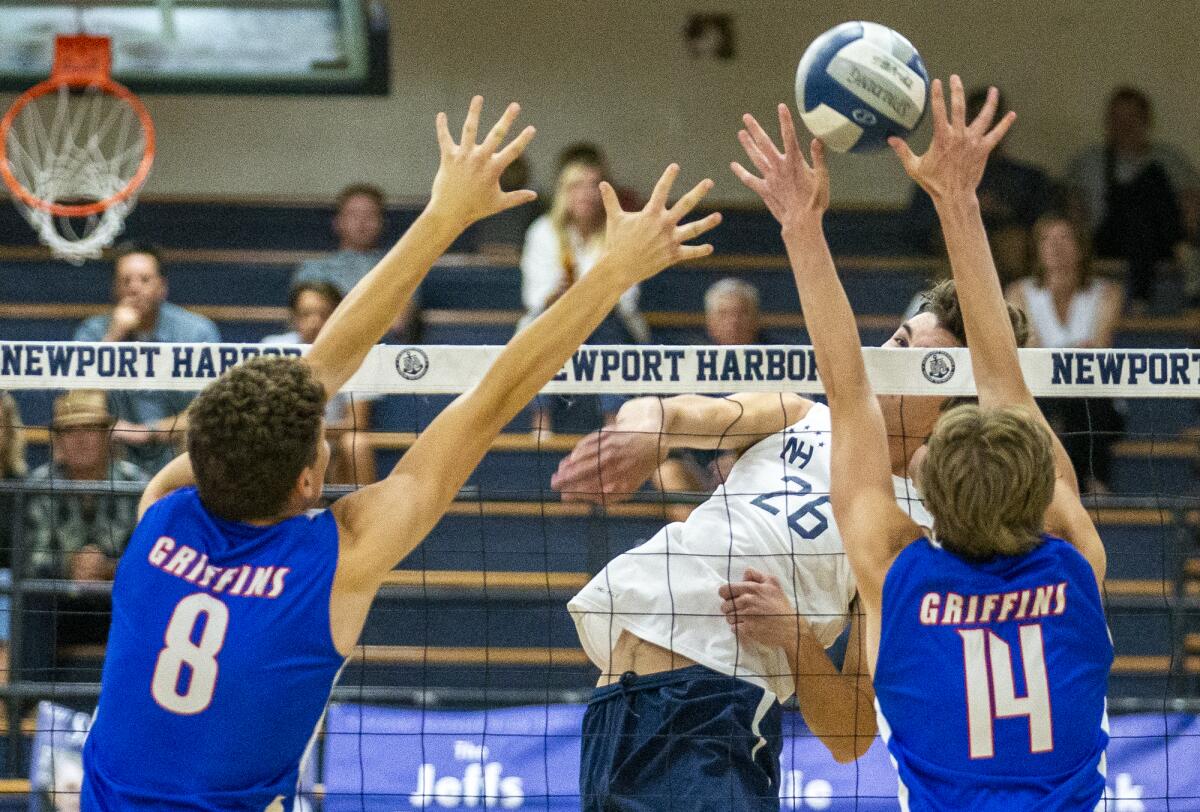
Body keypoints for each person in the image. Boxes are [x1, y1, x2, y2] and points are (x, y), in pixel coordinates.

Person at [80, 96, 720, 811]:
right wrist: (608, 272)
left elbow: (321, 370)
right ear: (304, 480)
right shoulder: (334, 561)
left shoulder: (160, 514)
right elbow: (491, 398)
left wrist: (446, 216)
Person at [553, 148, 1029, 810]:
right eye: (896, 339)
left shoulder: (916, 528)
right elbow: (684, 411)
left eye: (918, 361)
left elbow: (851, 732)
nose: (889, 358)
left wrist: (796, 637)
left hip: (712, 712)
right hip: (615, 711)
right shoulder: (799, 414)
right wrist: (645, 430)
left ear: (954, 399)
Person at [731, 77, 1108, 809]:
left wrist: (802, 226)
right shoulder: (1073, 557)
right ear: (1038, 486)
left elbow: (847, 389)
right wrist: (960, 201)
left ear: (931, 497)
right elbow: (1005, 387)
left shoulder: (900, 574)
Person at [22, 392, 148, 676]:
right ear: (58, 440)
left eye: (90, 428)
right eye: (70, 430)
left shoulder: (139, 484)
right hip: (61, 603)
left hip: (117, 602)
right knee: (34, 592)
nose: (80, 439)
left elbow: (149, 560)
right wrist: (69, 566)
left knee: (150, 592)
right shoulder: (37, 485)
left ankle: (144, 695)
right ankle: (28, 701)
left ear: (108, 435)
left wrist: (108, 569)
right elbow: (32, 560)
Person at [521, 158, 648, 431]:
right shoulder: (543, 232)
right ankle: (541, 420)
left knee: (605, 326)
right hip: (554, 318)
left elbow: (627, 296)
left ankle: (614, 421)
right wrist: (565, 294)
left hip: (608, 321)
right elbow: (535, 298)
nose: (586, 194)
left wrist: (590, 296)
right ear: (563, 193)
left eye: (594, 187)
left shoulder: (619, 232)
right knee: (549, 325)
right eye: (577, 186)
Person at [73, 244, 222, 474]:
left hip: (182, 453)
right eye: (126, 280)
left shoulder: (197, 333)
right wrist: (113, 337)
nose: (134, 288)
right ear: (114, 288)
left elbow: (210, 410)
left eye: (144, 280)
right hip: (114, 458)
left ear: (162, 287)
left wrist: (147, 431)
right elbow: (77, 403)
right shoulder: (93, 332)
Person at [1006, 215, 1125, 492]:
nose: (1055, 247)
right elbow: (1029, 348)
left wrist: (1060, 356)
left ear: (1081, 247)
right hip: (1042, 397)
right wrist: (1072, 352)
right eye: (1046, 239)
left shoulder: (1107, 292)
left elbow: (1097, 348)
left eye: (1064, 238)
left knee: (1081, 397)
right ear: (1037, 248)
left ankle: (1093, 482)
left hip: (1095, 401)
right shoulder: (1019, 292)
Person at [1066, 87, 1200, 310]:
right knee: (1146, 190)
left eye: (1132, 118)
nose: (1124, 125)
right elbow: (1072, 209)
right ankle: (1177, 258)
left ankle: (1140, 297)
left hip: (1159, 241)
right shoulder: (1089, 161)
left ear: (1146, 121)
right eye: (1118, 118)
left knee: (1151, 186)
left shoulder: (1170, 159)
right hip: (1109, 239)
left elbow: (1192, 206)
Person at [903, 86, 1055, 282]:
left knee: (1013, 243)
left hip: (1011, 254)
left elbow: (1042, 226)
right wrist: (962, 210)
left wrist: (1001, 212)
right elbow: (918, 228)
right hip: (956, 244)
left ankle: (1013, 302)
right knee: (959, 241)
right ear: (963, 123)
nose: (983, 126)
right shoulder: (939, 173)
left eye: (992, 120)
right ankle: (955, 299)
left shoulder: (1030, 178)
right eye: (975, 118)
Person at [262, 281, 378, 486]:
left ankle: (368, 515)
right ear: (294, 318)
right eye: (306, 314)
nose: (315, 322)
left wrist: (314, 434)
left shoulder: (355, 352)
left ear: (338, 316)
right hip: (285, 440)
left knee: (357, 443)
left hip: (334, 444)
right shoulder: (273, 348)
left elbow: (356, 421)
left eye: (324, 314)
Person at [291, 183, 389, 296]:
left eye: (370, 215)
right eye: (353, 215)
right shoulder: (314, 271)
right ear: (337, 223)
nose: (362, 222)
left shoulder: (398, 268)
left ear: (382, 223)